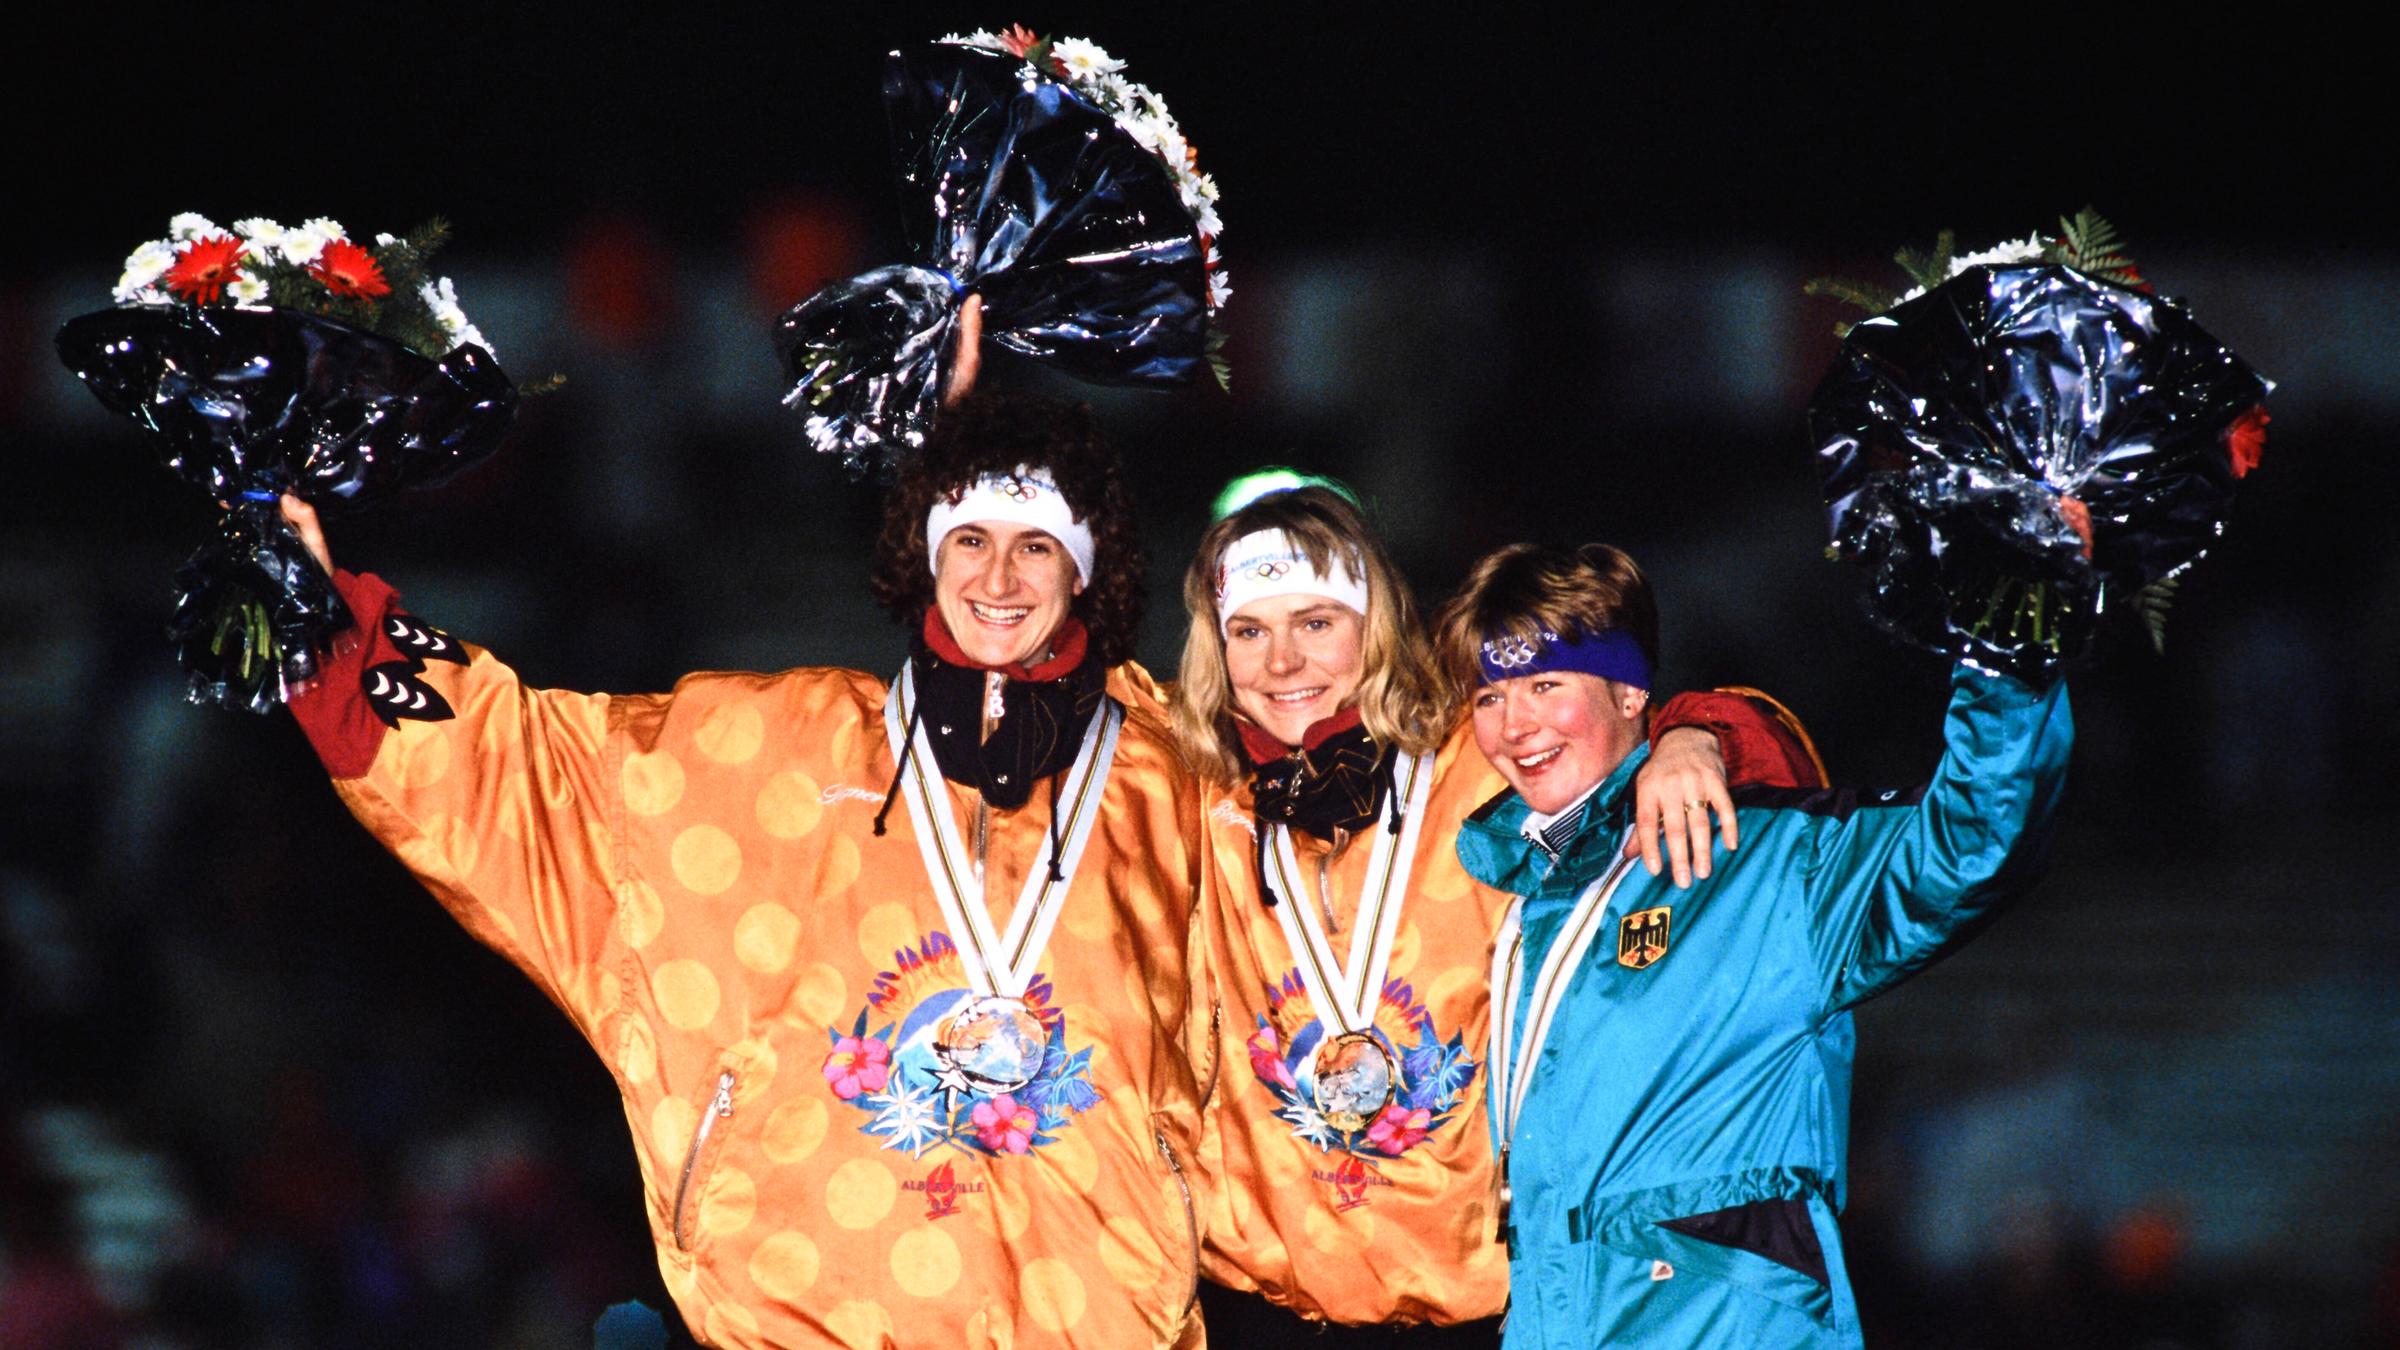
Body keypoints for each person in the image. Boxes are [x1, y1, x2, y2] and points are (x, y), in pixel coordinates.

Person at [280, 393, 1211, 1349]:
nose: (1000, 576)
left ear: (1085, 568)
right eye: (969, 537)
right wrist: (330, 626)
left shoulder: (1175, 777)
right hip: (815, 1319)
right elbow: (536, 774)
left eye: (1037, 545)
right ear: (928, 555)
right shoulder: (776, 749)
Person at [1167, 488, 1824, 1340]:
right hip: (1260, 1312)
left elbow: (1672, 739)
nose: (1282, 662)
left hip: (1485, 1306)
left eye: (1318, 623)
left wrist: (1696, 736)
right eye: (1249, 631)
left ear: (1377, 627)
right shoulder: (1183, 788)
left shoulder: (1479, 765)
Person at [1434, 543, 2072, 1348]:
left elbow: (1975, 837)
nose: (1514, 724)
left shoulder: (1759, 861)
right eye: (1489, 696)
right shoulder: (1524, 904)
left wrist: (2005, 642)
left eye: (1545, 685)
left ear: (1632, 691)